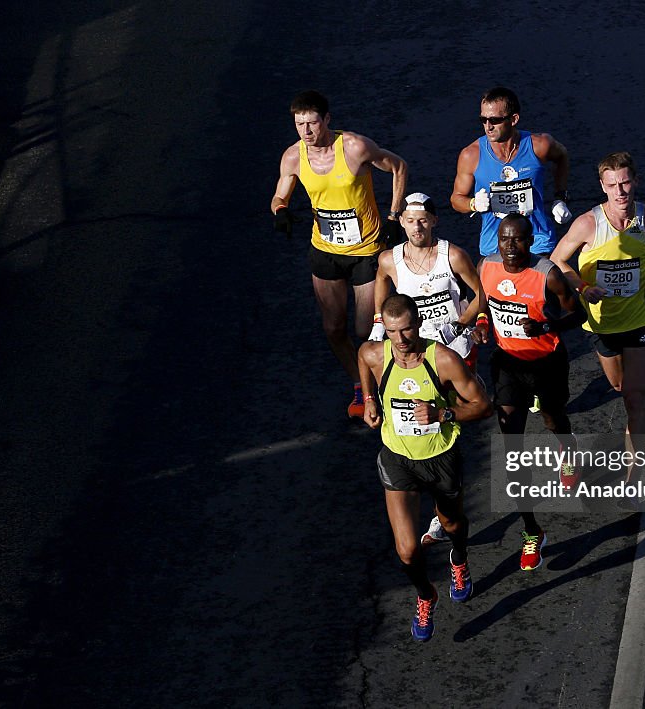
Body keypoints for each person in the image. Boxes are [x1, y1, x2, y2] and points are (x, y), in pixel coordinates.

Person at [358, 294, 492, 642]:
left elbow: (482, 405)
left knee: (451, 522)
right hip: (397, 457)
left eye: (405, 330)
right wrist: (369, 399)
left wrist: (443, 414)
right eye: (391, 332)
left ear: (417, 323)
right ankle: (425, 594)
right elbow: (361, 356)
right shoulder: (377, 354)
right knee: (406, 549)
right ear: (384, 330)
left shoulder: (443, 360)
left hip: (441, 456)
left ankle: (459, 559)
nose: (400, 340)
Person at [271, 90, 408, 418]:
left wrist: (393, 217)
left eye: (313, 123)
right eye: (299, 124)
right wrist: (280, 212)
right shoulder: (293, 157)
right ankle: (361, 387)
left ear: (327, 120)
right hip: (325, 251)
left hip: (365, 250)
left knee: (365, 330)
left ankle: (393, 378)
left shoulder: (355, 147)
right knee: (333, 328)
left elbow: (399, 167)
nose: (307, 131)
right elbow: (279, 195)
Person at [369, 192, 489, 545]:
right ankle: (443, 501)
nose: (416, 226)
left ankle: (445, 505)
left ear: (434, 221)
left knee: (452, 421)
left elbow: (480, 292)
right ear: (401, 222)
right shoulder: (391, 260)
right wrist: (379, 323)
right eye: (409, 220)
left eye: (423, 220)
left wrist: (462, 323)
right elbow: (381, 282)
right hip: (413, 355)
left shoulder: (452, 255)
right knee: (423, 422)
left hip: (453, 352)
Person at [549, 151, 645, 484]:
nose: (621, 191)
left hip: (642, 318)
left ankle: (636, 475)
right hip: (602, 324)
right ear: (603, 186)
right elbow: (557, 260)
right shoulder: (588, 224)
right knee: (618, 385)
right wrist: (583, 287)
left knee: (634, 397)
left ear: (635, 182)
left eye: (626, 183)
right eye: (613, 185)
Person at [480, 214, 586, 571]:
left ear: (530, 241)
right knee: (512, 449)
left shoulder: (547, 274)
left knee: (553, 419)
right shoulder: (488, 266)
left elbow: (577, 315)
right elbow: (483, 302)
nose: (511, 248)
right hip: (508, 364)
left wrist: (545, 324)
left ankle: (568, 448)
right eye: (505, 240)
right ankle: (531, 531)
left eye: (518, 241)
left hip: (547, 362)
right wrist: (481, 324)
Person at [450, 86, 573, 259]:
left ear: (513, 119)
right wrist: (474, 204)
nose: (488, 126)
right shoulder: (471, 155)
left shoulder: (539, 145)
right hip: (495, 247)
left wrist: (561, 198)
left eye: (494, 120)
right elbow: (456, 199)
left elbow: (562, 156)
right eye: (483, 119)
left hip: (536, 243)